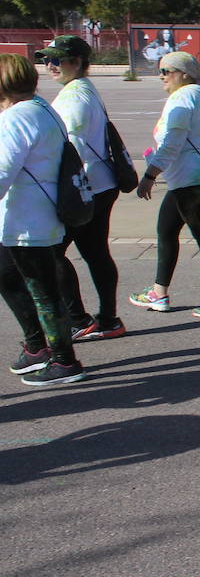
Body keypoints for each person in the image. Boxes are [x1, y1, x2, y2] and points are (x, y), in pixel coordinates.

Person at [128, 51, 200, 318]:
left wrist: (150, 175)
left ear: (185, 74)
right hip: (195, 178)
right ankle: (158, 292)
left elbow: (172, 143)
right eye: (160, 70)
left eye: (167, 71)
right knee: (167, 231)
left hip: (190, 179)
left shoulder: (184, 96)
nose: (161, 76)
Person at [0, 53, 85, 386]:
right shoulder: (42, 108)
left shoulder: (16, 118)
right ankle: (38, 345)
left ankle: (64, 361)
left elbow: (3, 171)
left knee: (44, 292)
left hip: (27, 222)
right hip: (40, 214)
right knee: (6, 275)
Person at [38, 35, 126, 340]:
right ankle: (109, 319)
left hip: (82, 187)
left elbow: (69, 147)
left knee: (51, 253)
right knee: (96, 252)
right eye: (46, 59)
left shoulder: (72, 98)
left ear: (77, 62)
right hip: (102, 183)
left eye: (56, 60)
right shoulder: (85, 89)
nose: (49, 65)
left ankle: (78, 318)